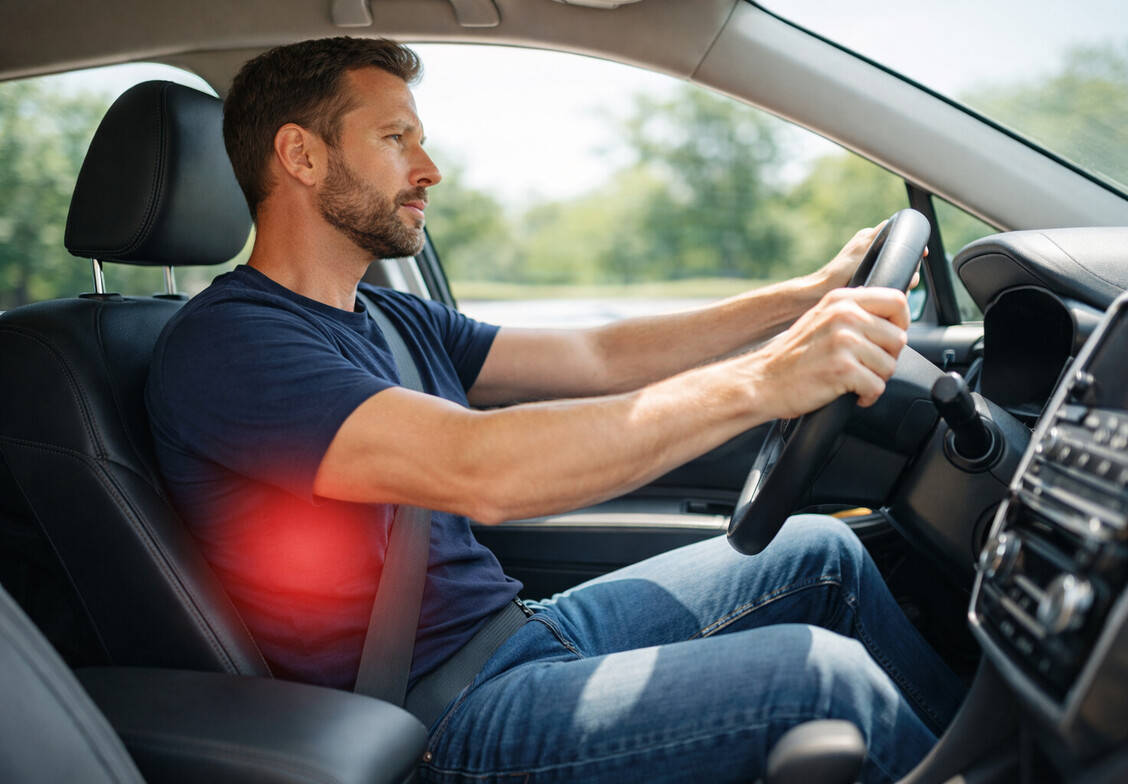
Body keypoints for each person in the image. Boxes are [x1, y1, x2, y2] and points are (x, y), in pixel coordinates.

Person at [146, 36, 965, 784]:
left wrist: (807, 296)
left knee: (820, 553)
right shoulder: (230, 346)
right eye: (397, 139)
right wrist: (763, 381)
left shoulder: (389, 317)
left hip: (515, 637)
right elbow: (483, 469)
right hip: (434, 720)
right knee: (819, 680)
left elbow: (596, 359)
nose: (429, 168)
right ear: (301, 155)